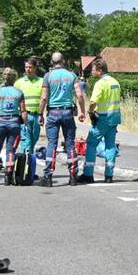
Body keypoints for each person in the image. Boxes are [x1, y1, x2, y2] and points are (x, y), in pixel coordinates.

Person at [39, 51, 86, 186]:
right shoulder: (71, 75)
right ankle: (73, 176)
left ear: (52, 62)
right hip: (67, 113)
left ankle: (48, 177)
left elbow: (43, 98)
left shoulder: (48, 76)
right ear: (63, 61)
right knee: (70, 144)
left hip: (53, 113)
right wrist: (82, 111)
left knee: (52, 144)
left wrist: (40, 114)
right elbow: (79, 95)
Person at [0, 67, 27, 185]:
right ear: (14, 79)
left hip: (0, 124)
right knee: (11, 151)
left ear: (3, 77)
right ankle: (8, 177)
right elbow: (23, 111)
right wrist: (26, 124)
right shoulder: (19, 92)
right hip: (14, 124)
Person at [82, 57, 121, 183]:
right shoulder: (115, 82)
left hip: (103, 118)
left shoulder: (100, 84)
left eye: (93, 69)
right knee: (110, 146)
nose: (92, 72)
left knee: (92, 143)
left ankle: (88, 174)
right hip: (114, 117)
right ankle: (109, 175)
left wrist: (90, 112)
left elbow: (93, 102)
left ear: (99, 70)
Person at [14, 57, 44, 153]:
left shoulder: (42, 82)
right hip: (24, 115)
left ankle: (29, 160)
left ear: (35, 68)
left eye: (30, 67)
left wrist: (41, 114)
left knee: (33, 140)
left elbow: (45, 98)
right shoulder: (19, 83)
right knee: (26, 141)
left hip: (36, 116)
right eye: (26, 67)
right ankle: (25, 161)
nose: (28, 69)